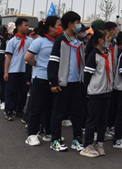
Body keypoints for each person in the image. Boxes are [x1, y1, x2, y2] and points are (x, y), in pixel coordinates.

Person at [47, 11, 87, 152]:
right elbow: (53, 62)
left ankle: (77, 140)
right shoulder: (61, 40)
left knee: (77, 113)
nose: (79, 25)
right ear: (70, 24)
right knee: (58, 113)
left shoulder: (79, 41)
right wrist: (53, 82)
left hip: (77, 82)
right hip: (63, 83)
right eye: (77, 22)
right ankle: (55, 140)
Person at [24, 16, 60, 146]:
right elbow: (28, 57)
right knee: (37, 107)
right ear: (50, 27)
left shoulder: (58, 42)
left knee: (51, 108)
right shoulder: (40, 41)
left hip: (54, 80)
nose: (60, 27)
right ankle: (32, 134)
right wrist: (39, 65)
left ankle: (49, 133)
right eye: (58, 25)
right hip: (41, 78)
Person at [81, 29, 114, 157]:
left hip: (107, 91)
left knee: (103, 120)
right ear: (100, 40)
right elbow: (87, 75)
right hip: (95, 92)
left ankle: (99, 143)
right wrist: (87, 91)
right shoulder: (93, 55)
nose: (110, 40)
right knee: (92, 120)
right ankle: (87, 145)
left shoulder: (108, 53)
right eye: (108, 38)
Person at [4, 18, 31, 120]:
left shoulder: (30, 41)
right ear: (19, 27)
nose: (27, 27)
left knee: (23, 92)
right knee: (11, 92)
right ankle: (9, 110)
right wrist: (6, 72)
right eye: (25, 25)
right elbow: (8, 57)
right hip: (13, 70)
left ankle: (19, 110)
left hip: (25, 71)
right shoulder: (12, 41)